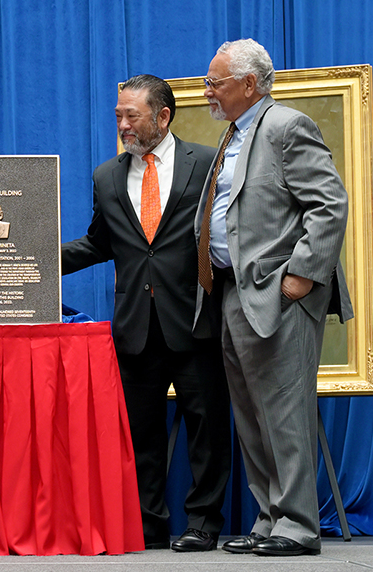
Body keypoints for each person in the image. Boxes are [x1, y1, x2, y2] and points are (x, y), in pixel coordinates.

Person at [193, 39, 352, 557]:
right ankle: (269, 519)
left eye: (215, 82)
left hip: (277, 294)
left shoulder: (286, 126)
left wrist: (300, 277)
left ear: (248, 84)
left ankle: (299, 526)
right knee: (253, 414)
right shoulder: (234, 136)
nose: (207, 90)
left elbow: (329, 204)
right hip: (233, 293)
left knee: (283, 413)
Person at [63, 74, 231, 552]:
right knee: (140, 436)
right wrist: (38, 259)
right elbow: (100, 243)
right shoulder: (106, 176)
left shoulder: (207, 163)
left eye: (131, 115)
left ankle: (203, 523)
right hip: (136, 325)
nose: (122, 125)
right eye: (118, 115)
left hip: (196, 319)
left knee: (208, 429)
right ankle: (147, 526)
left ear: (163, 116)